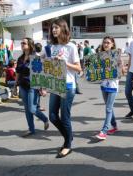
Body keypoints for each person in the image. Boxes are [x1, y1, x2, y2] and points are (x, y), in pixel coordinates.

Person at [48, 18, 81, 158]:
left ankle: (67, 145)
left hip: (68, 86)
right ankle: (69, 136)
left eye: (56, 27)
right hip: (56, 85)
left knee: (64, 117)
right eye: (52, 28)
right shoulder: (53, 47)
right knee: (52, 116)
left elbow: (79, 68)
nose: (53, 30)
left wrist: (65, 63)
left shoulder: (71, 46)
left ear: (63, 28)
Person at [16, 38, 49, 137]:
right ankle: (31, 129)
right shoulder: (20, 58)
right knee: (27, 109)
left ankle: (45, 119)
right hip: (22, 85)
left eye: (24, 43)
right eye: (21, 42)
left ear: (30, 45)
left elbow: (40, 73)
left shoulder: (35, 57)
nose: (22, 44)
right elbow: (17, 72)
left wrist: (43, 88)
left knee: (32, 108)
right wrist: (15, 85)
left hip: (33, 86)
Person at [95, 36, 122, 140]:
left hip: (112, 86)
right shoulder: (100, 56)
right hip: (103, 85)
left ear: (112, 44)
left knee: (108, 108)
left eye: (108, 43)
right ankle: (114, 126)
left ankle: (104, 130)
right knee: (109, 107)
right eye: (104, 43)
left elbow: (120, 73)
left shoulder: (116, 56)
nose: (105, 44)